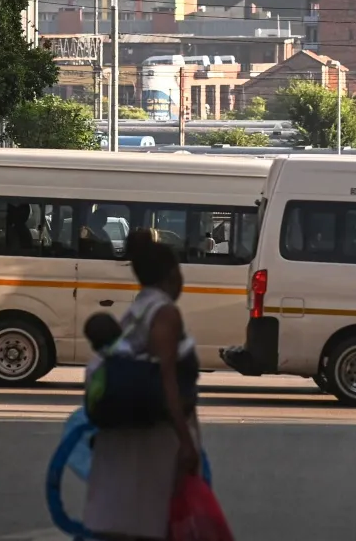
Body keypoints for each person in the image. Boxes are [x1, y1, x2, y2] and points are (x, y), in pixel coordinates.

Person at [83, 230, 201, 541]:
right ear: (172, 275)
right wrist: (185, 441)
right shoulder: (164, 312)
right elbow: (167, 378)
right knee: (155, 523)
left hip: (129, 439)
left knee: (128, 523)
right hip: (155, 442)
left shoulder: (136, 310)